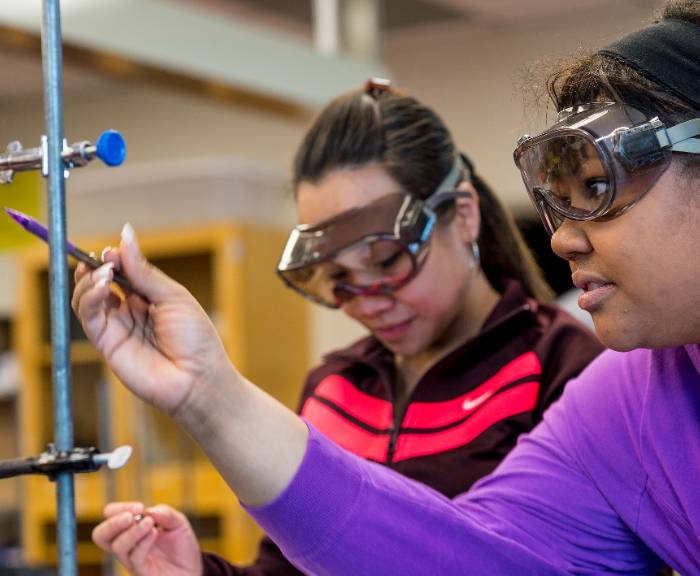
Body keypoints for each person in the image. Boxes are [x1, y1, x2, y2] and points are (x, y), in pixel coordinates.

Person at [72, 0, 700, 572]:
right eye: (340, 279)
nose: (563, 240)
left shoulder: (564, 362)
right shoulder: (628, 403)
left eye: (598, 189)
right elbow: (463, 556)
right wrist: (209, 397)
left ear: (460, 218)